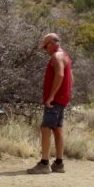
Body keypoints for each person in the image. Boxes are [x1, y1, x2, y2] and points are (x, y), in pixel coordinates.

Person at [28, 32, 74, 174]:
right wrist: (66, 94)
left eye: (45, 47)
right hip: (62, 99)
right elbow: (71, 78)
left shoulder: (57, 56)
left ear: (53, 44)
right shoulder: (65, 55)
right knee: (58, 129)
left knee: (46, 128)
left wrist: (51, 97)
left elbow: (60, 74)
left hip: (54, 100)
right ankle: (59, 164)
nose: (45, 50)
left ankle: (44, 163)